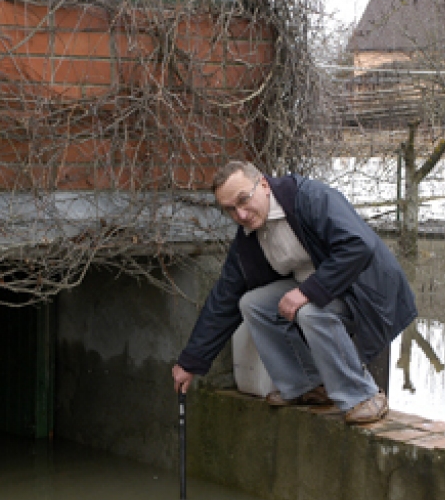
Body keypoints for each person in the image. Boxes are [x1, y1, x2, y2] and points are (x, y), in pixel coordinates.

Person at [171, 161, 417, 424]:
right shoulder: (250, 238)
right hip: (323, 289)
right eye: (230, 209)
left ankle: (363, 396)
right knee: (253, 303)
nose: (240, 214)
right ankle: (307, 386)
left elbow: (358, 245)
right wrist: (191, 362)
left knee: (311, 311)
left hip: (366, 290)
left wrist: (308, 291)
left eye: (244, 200)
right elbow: (224, 300)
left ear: (263, 184)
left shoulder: (311, 198)